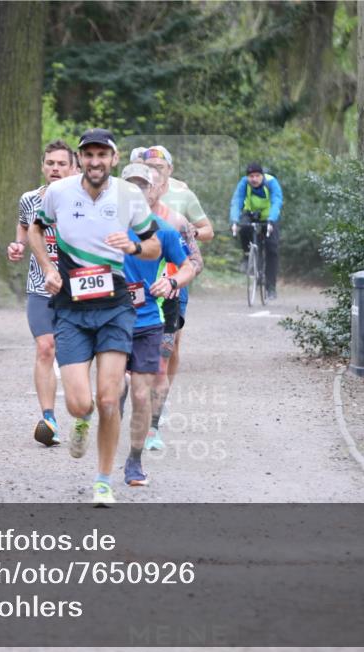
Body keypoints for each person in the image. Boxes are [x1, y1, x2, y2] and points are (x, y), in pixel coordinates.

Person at [29, 128, 161, 507]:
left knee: (108, 398)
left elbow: (153, 246)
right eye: (89, 155)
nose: (95, 161)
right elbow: (36, 230)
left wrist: (134, 244)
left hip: (115, 308)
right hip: (71, 309)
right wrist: (48, 267)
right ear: (80, 159)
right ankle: (81, 421)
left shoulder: (129, 195)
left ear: (114, 159)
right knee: (79, 404)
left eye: (103, 155)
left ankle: (103, 481)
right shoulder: (58, 193)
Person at [118, 163, 196, 486]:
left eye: (142, 186)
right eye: (129, 186)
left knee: (140, 394)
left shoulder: (164, 229)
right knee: (110, 394)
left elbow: (188, 265)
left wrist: (173, 283)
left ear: (153, 191)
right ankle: (104, 433)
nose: (136, 192)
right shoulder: (102, 226)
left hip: (149, 318)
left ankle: (134, 462)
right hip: (111, 317)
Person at [7, 140, 79, 446]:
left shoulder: (83, 200)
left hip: (77, 289)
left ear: (73, 168)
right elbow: (24, 228)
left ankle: (84, 413)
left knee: (76, 356)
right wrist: (19, 246)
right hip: (39, 286)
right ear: (43, 166)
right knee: (45, 348)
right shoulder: (29, 199)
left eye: (62, 164)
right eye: (50, 163)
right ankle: (48, 419)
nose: (56, 169)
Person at [139, 145, 207, 448]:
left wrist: (174, 280)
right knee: (125, 369)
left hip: (167, 297)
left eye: (154, 176)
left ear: (163, 182)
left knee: (161, 363)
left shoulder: (177, 219)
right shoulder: (116, 215)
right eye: (140, 181)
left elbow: (196, 262)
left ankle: (153, 428)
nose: (147, 184)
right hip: (128, 297)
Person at [230, 162, 283, 300]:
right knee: (244, 228)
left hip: (270, 217)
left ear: (262, 175)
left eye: (257, 176)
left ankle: (271, 288)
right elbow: (237, 200)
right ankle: (247, 255)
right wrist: (234, 220)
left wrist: (271, 220)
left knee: (272, 249)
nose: (254, 179)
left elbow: (277, 201)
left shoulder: (271, 182)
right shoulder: (244, 183)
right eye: (251, 176)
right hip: (251, 214)